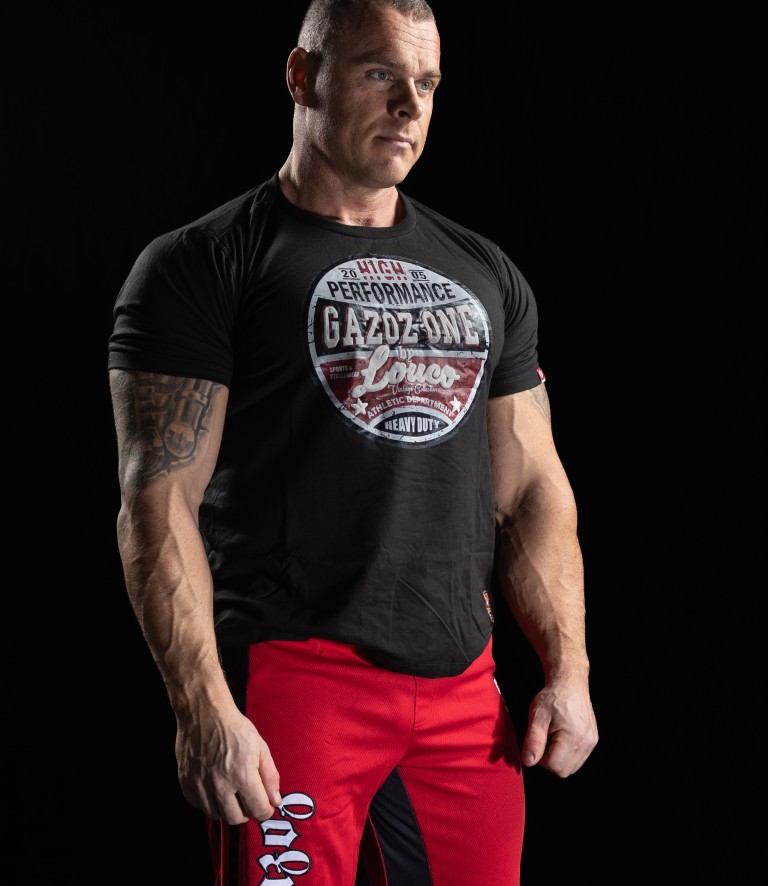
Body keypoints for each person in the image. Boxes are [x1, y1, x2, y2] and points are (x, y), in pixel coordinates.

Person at [108, 0, 598, 883]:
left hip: (461, 687)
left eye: (427, 83)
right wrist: (203, 707)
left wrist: (569, 670)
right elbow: (157, 499)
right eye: (380, 74)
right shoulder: (205, 263)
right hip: (297, 681)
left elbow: (532, 489)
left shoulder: (484, 272)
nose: (410, 106)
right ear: (303, 77)